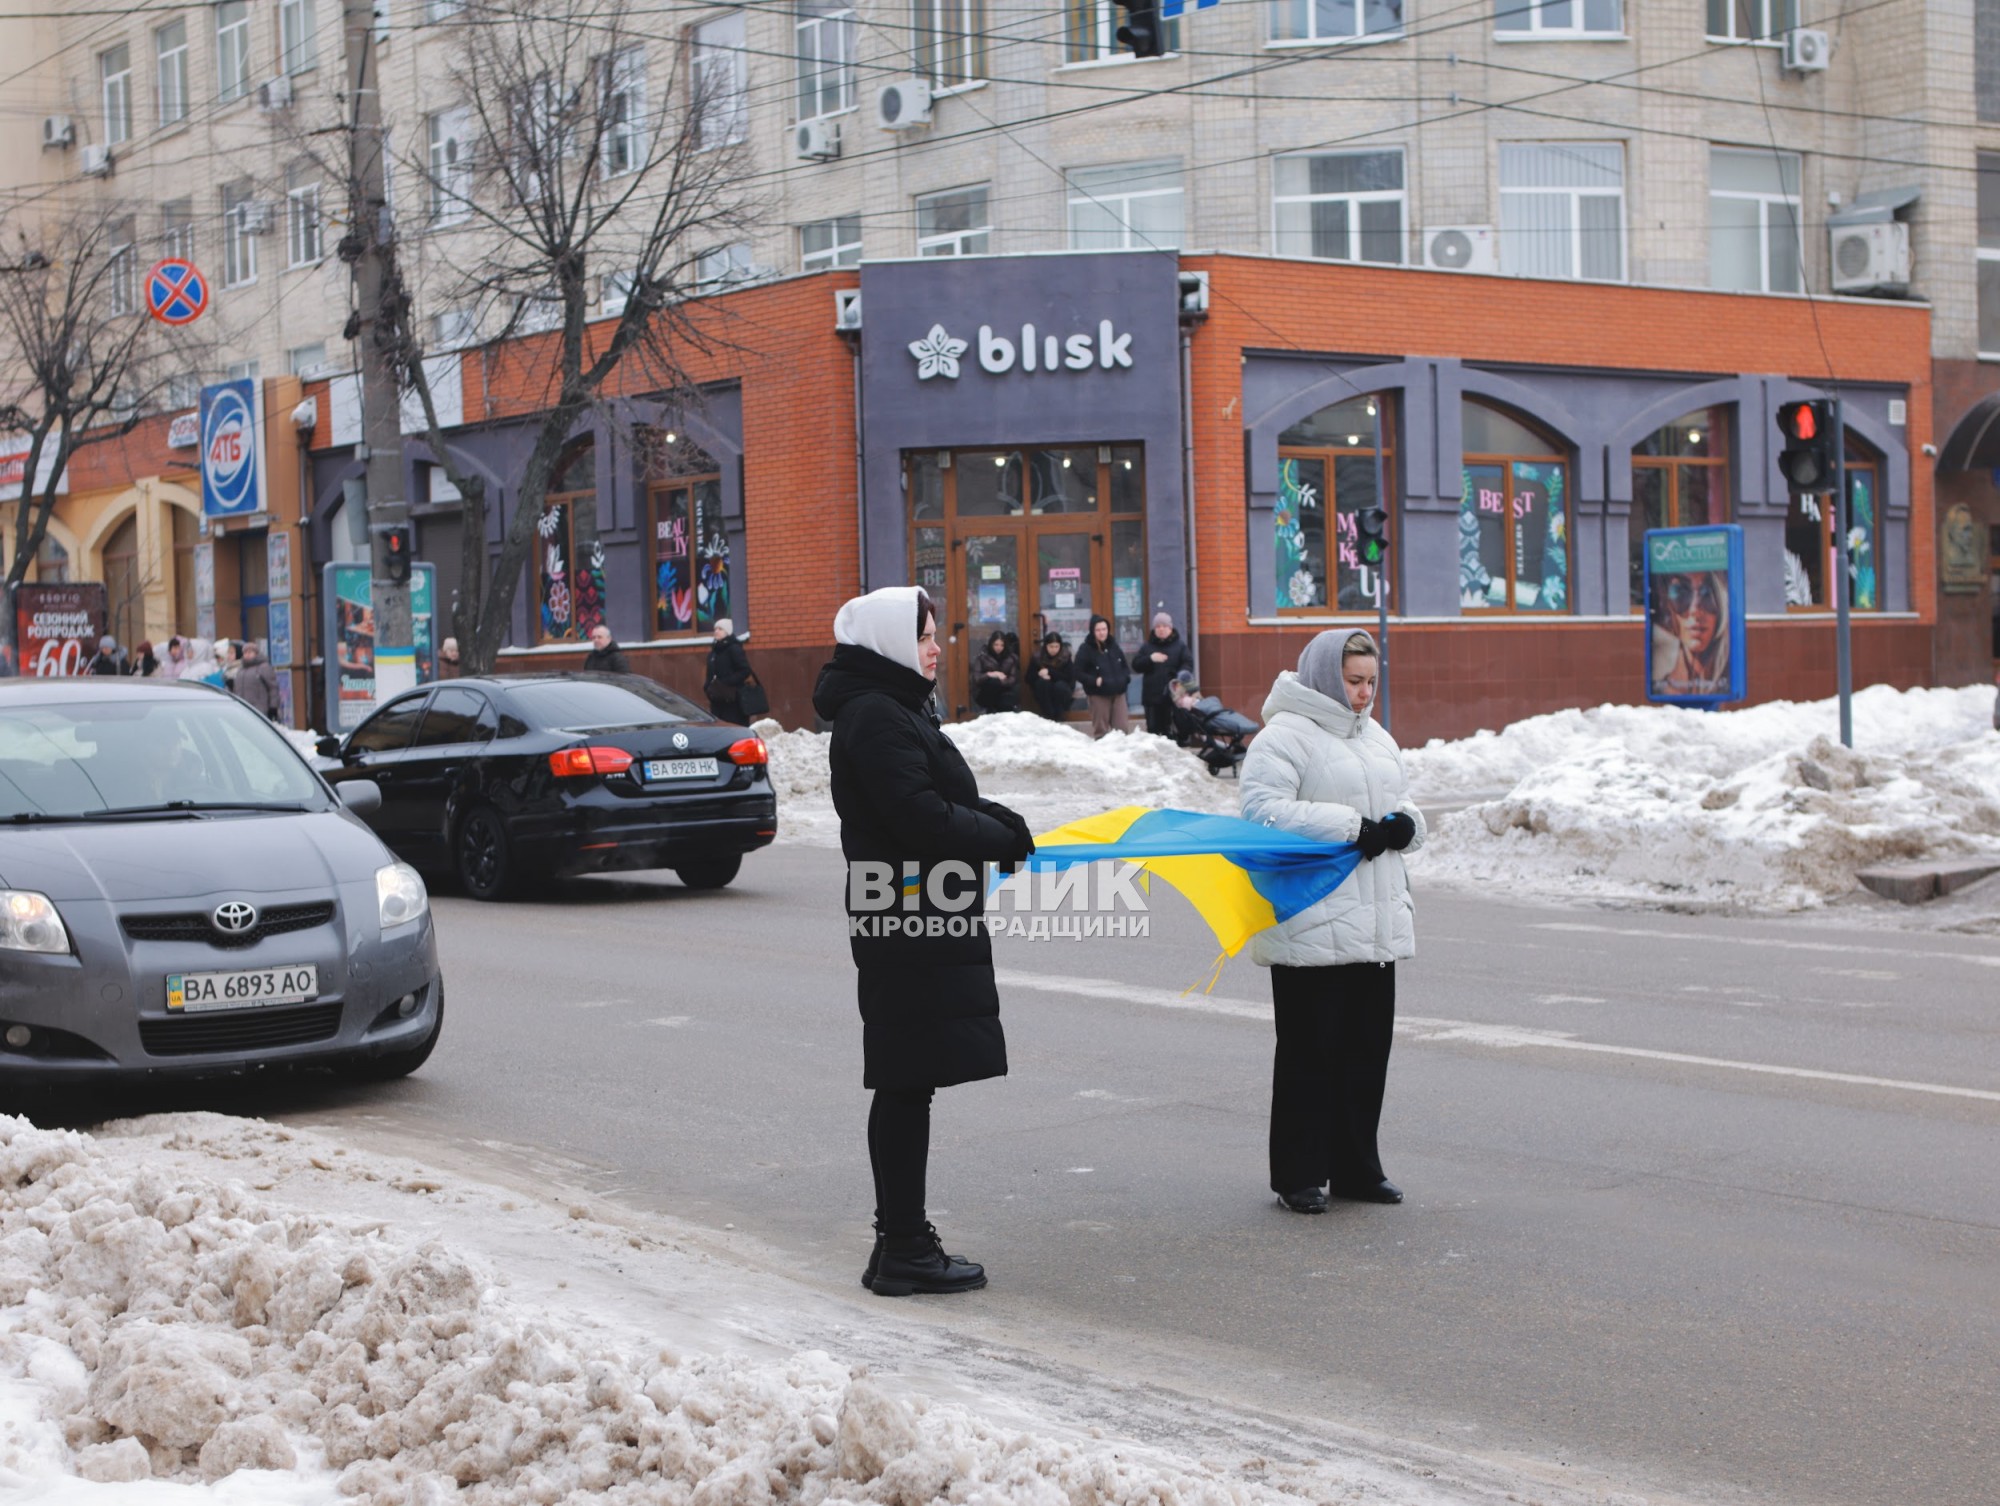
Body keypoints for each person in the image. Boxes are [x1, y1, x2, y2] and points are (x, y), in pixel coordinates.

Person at [811, 585, 1034, 1298]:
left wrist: (1002, 821)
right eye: (925, 635)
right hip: (905, 912)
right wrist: (998, 837)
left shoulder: (894, 707)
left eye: (936, 634)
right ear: (888, 644)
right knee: (906, 1079)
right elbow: (919, 817)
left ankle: (898, 1242)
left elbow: (944, 800)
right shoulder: (878, 715)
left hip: (914, 909)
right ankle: (903, 1244)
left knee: (909, 1078)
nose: (938, 646)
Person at [1240, 629, 1425, 1214]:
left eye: (1371, 681)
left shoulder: (1377, 738)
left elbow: (1403, 802)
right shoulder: (1283, 738)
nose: (1365, 693)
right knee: (1309, 1055)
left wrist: (1404, 826)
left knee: (1366, 1053)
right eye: (1353, 681)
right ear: (1325, 676)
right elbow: (1262, 814)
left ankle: (1355, 1170)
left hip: (1373, 925)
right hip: (1310, 922)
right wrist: (1353, 827)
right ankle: (1298, 1175)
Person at [1651, 572, 1728, 697]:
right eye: (1680, 594)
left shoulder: (1726, 686)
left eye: (1708, 595)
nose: (1695, 611)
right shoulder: (1659, 689)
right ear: (1667, 608)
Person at [1132, 612, 1191, 736]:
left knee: (1171, 731)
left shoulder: (1180, 646)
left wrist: (1179, 677)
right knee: (1153, 732)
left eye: (1164, 626)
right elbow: (1136, 665)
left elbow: (1188, 664)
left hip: (1173, 696)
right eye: (1158, 626)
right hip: (1152, 697)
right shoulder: (1147, 647)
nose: (1161, 629)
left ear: (1170, 628)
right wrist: (1150, 659)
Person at [1073, 615, 1131, 739]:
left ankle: (1121, 757)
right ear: (1092, 631)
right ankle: (1103, 757)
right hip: (1098, 695)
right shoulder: (1086, 649)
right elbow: (1077, 672)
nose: (1102, 633)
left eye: (1104, 629)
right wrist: (1094, 681)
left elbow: (1125, 667)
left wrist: (1125, 679)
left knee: (1122, 730)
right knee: (1102, 732)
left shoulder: (1113, 646)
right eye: (1098, 630)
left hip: (1118, 693)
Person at [704, 618, 753, 724]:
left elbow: (745, 670)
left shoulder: (734, 649)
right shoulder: (714, 651)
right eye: (715, 629)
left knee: (733, 729)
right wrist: (707, 687)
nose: (716, 631)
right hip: (717, 700)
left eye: (720, 629)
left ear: (728, 632)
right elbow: (710, 673)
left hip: (733, 700)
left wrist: (726, 683)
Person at [1026, 631, 1075, 720]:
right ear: (1046, 646)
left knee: (1059, 686)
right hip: (1044, 693)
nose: (1054, 649)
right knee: (1043, 683)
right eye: (1051, 646)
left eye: (1056, 646)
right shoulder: (1038, 657)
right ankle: (1048, 714)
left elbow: (1069, 677)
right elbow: (1028, 678)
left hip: (1062, 692)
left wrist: (1050, 672)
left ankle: (1059, 715)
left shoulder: (1065, 657)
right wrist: (1039, 674)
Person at [970, 630, 1019, 715]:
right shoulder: (983, 657)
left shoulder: (1011, 658)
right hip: (985, 693)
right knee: (993, 682)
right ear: (991, 644)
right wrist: (990, 674)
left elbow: (1013, 679)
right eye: (996, 644)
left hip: (1004, 691)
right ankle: (988, 709)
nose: (999, 647)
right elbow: (976, 678)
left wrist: (1001, 681)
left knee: (1007, 707)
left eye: (1001, 645)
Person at [234, 639, 281, 720]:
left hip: (259, 709)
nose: (247, 655)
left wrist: (273, 707)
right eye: (245, 652)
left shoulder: (263, 667)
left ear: (256, 654)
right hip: (243, 709)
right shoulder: (240, 670)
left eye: (250, 652)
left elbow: (273, 688)